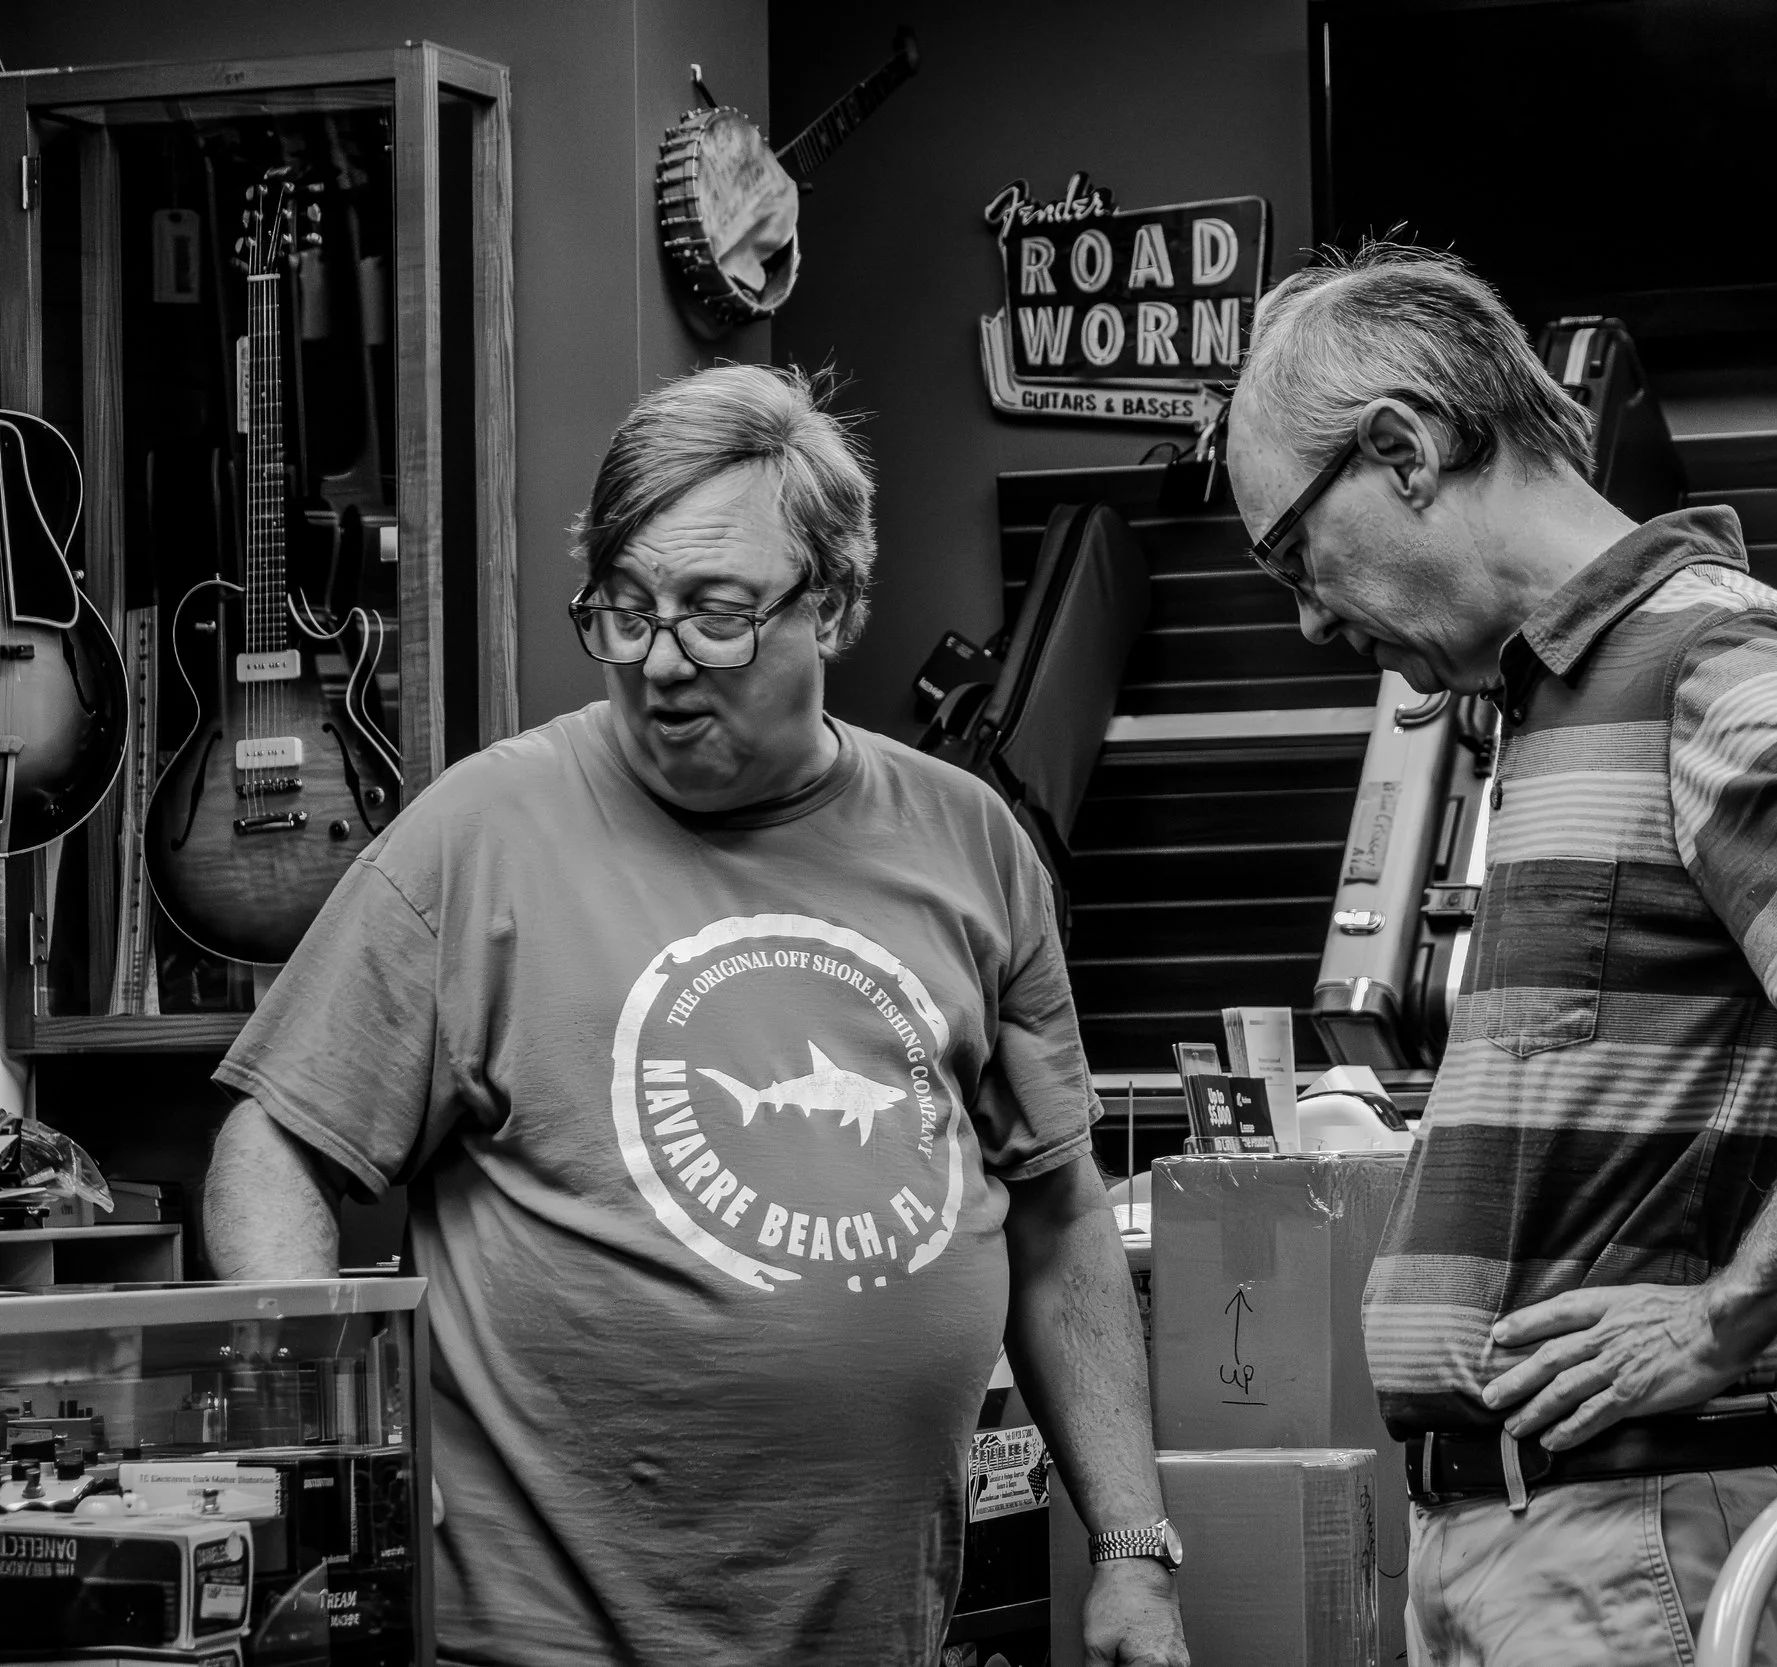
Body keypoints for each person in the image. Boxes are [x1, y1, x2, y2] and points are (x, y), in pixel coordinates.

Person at [204, 365, 1188, 1667]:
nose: (662, 664)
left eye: (717, 615)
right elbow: (269, 1148)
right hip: (534, 1644)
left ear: (831, 605)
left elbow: (1059, 1217)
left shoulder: (972, 845)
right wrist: (340, 1431)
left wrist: (1131, 1546)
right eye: (626, 611)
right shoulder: (478, 836)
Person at [1225, 245, 1777, 1666]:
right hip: (1541, 1547)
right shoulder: (1555, 700)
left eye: (1296, 555)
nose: (1307, 615)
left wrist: (1722, 1318)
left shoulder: (1701, 653)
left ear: (1404, 450)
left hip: (1638, 1548)